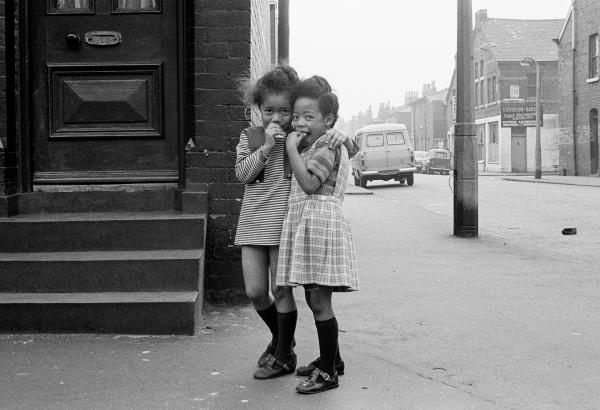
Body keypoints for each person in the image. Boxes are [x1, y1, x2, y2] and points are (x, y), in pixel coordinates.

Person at [234, 66, 355, 380]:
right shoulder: (250, 137)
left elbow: (330, 147)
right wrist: (265, 148)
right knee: (255, 291)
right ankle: (280, 339)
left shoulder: (298, 140)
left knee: (282, 291)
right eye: (268, 110)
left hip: (284, 224)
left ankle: (284, 353)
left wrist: (346, 138)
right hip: (252, 221)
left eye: (284, 111)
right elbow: (242, 174)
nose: (276, 118)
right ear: (257, 109)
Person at [277, 75, 359, 394]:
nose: (299, 122)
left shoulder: (326, 144)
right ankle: (332, 359)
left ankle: (328, 373)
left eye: (308, 117)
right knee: (314, 296)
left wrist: (291, 149)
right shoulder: (320, 141)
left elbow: (310, 184)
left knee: (320, 299)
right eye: (296, 116)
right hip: (311, 224)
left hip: (320, 224)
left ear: (328, 121)